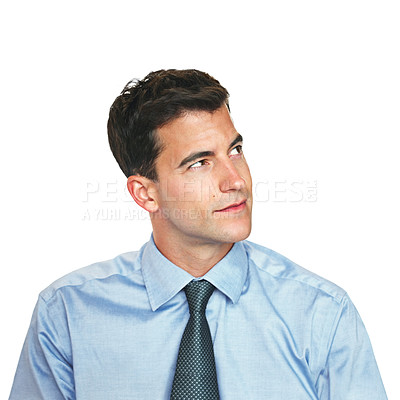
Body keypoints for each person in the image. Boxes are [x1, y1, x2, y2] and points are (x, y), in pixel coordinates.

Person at [9, 69, 387, 399]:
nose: (236, 180)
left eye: (235, 150)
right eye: (200, 163)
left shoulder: (322, 313)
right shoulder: (68, 315)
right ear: (146, 193)